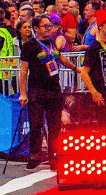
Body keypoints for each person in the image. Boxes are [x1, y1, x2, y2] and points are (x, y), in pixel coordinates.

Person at [18, 15, 76, 170]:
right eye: (45, 26)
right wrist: (23, 93)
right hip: (36, 90)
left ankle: (54, 156)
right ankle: (35, 155)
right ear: (36, 28)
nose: (49, 28)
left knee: (54, 126)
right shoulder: (29, 45)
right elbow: (23, 71)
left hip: (54, 89)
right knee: (36, 124)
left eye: (50, 26)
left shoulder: (51, 43)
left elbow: (61, 58)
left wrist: (76, 68)